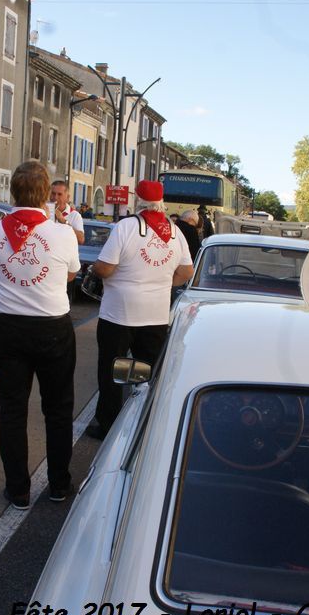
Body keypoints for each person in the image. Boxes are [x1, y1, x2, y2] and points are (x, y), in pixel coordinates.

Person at [0, 161, 80, 510]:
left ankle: (18, 488)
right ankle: (59, 483)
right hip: (51, 325)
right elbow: (72, 274)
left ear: (13, 191)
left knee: (12, 409)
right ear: (45, 195)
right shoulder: (62, 232)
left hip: (8, 326)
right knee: (57, 408)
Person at [89, 180, 194, 439]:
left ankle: (107, 424)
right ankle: (144, 424)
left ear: (138, 200)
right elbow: (187, 271)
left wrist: (94, 270)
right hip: (155, 314)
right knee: (146, 371)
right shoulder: (174, 231)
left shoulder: (126, 227)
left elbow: (105, 267)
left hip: (119, 313)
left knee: (111, 370)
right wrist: (160, 283)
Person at [50, 180, 85, 245]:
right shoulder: (43, 211)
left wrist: (64, 221)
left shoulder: (75, 215)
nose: (55, 197)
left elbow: (81, 240)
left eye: (59, 194)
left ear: (67, 198)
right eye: (53, 193)